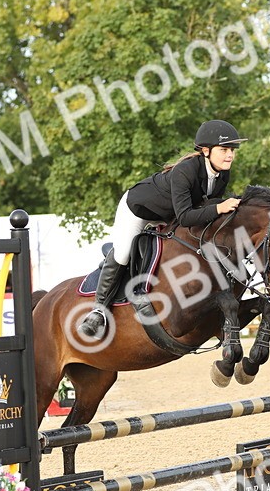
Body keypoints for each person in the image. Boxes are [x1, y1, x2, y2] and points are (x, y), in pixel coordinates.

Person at [77, 120, 246, 338]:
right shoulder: (185, 171)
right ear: (206, 151)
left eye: (232, 150)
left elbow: (202, 208)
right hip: (139, 210)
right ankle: (98, 311)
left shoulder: (222, 174)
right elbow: (187, 216)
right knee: (123, 254)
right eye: (224, 150)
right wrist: (220, 207)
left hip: (168, 215)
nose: (230, 155)